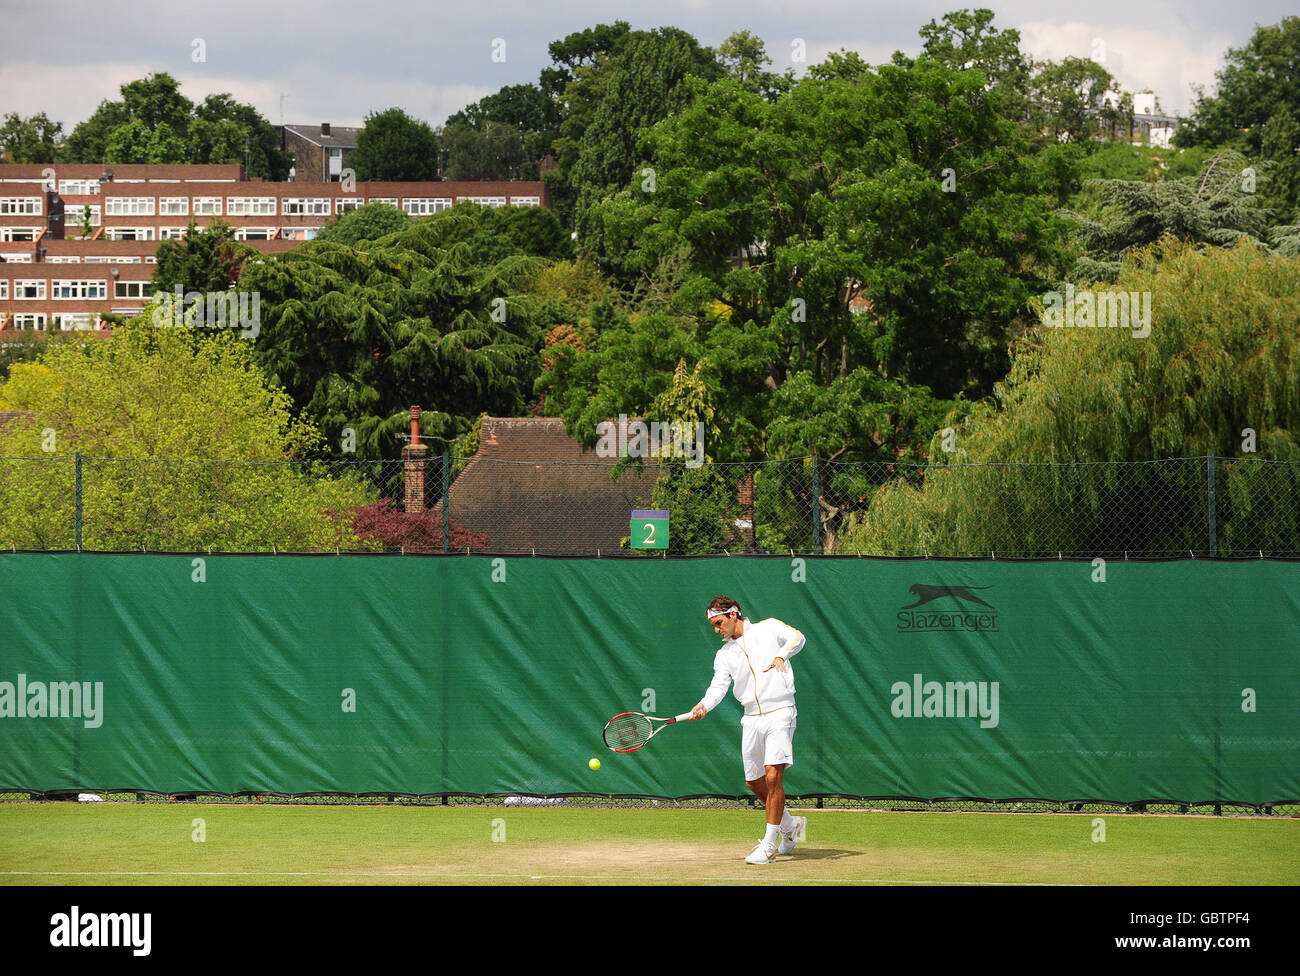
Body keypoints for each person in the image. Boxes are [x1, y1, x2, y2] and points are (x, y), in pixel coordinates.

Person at [688, 594, 808, 864]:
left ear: (733, 614)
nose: (717, 630)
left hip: (780, 711)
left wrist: (781, 655)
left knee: (773, 776)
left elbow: (798, 638)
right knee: (754, 782)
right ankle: (790, 826)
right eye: (713, 626)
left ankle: (768, 846)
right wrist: (704, 705)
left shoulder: (769, 628)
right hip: (751, 717)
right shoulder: (724, 654)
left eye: (719, 623)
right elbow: (718, 688)